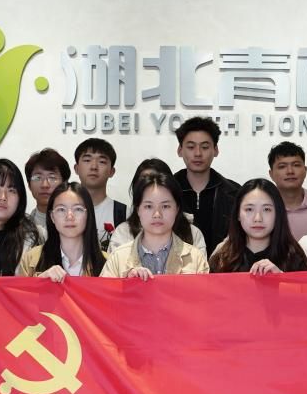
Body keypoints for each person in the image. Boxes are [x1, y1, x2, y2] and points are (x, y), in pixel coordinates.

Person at [101, 172, 210, 278]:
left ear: (177, 209)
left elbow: (205, 291)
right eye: (149, 206)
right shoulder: (118, 257)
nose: (157, 214)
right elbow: (102, 290)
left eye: (165, 206)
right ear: (138, 210)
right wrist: (125, 284)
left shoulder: (195, 258)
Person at [209, 178, 307, 274]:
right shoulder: (222, 258)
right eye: (249, 209)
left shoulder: (293, 257)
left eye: (266, 209)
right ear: (238, 214)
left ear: (278, 214)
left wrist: (281, 278)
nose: (258, 218)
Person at [108, 158, 207, 255]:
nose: (154, 187)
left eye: (165, 206)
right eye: (149, 206)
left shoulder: (192, 233)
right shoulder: (123, 233)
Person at [173, 116, 239, 254]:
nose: (198, 153)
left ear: (215, 150)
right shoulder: (167, 191)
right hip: (177, 266)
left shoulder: (235, 193)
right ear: (180, 150)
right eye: (191, 147)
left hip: (223, 266)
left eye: (204, 147)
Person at [18, 182, 107, 279]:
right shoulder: (31, 259)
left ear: (88, 215)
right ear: (52, 217)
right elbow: (21, 289)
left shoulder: (108, 262)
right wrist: (40, 282)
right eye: (61, 209)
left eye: (78, 209)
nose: (69, 216)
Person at [73, 137, 125, 250]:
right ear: (76, 168)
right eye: (87, 160)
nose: (94, 167)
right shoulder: (64, 211)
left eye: (102, 162)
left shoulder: (124, 213)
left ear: (112, 171)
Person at [267, 141, 307, 241]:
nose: (290, 171)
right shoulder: (263, 208)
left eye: (296, 165)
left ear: (305, 170)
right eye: (282, 166)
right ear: (271, 174)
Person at [24, 148, 71, 231]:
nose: (45, 185)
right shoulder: (20, 228)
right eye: (38, 178)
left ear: (64, 184)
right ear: (29, 185)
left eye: (52, 177)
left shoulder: (77, 224)